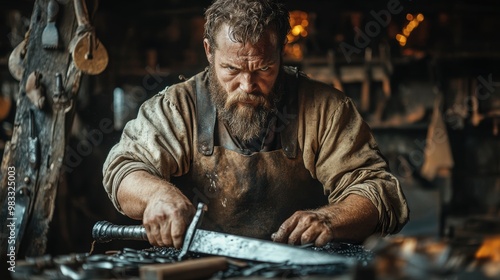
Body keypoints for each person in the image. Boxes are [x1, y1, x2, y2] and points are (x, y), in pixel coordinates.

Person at [102, 0, 409, 249]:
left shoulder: (325, 109)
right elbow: (124, 168)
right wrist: (157, 195)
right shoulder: (178, 108)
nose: (248, 85)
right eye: (231, 69)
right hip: (197, 267)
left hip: (301, 268)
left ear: (282, 50)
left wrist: (331, 219)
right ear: (209, 51)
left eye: (264, 67)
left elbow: (377, 190)